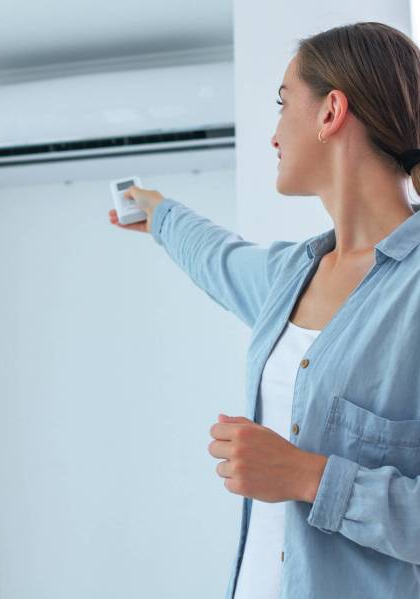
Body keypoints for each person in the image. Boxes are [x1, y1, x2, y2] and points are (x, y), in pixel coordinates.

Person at [108, 21, 420, 599]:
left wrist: (308, 476)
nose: (274, 132)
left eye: (282, 103)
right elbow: (218, 257)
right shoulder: (290, 277)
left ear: (331, 112)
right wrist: (155, 212)